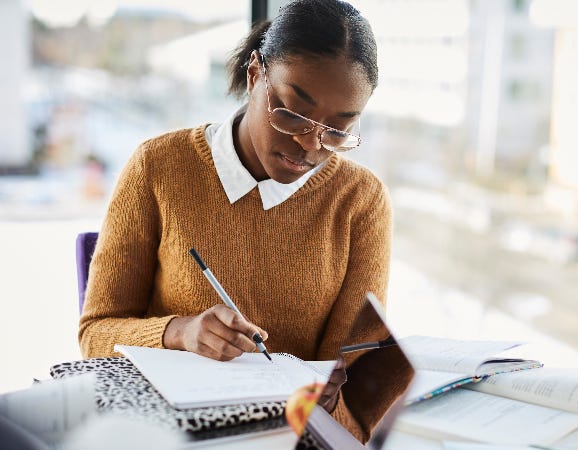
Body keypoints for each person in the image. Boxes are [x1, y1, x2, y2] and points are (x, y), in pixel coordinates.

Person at [78, 0, 394, 442]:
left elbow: (351, 380)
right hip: (170, 434)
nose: (309, 144)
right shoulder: (159, 167)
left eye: (338, 130)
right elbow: (95, 335)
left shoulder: (360, 201)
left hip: (289, 437)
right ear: (254, 74)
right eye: (291, 112)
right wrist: (180, 332)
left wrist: (337, 391)